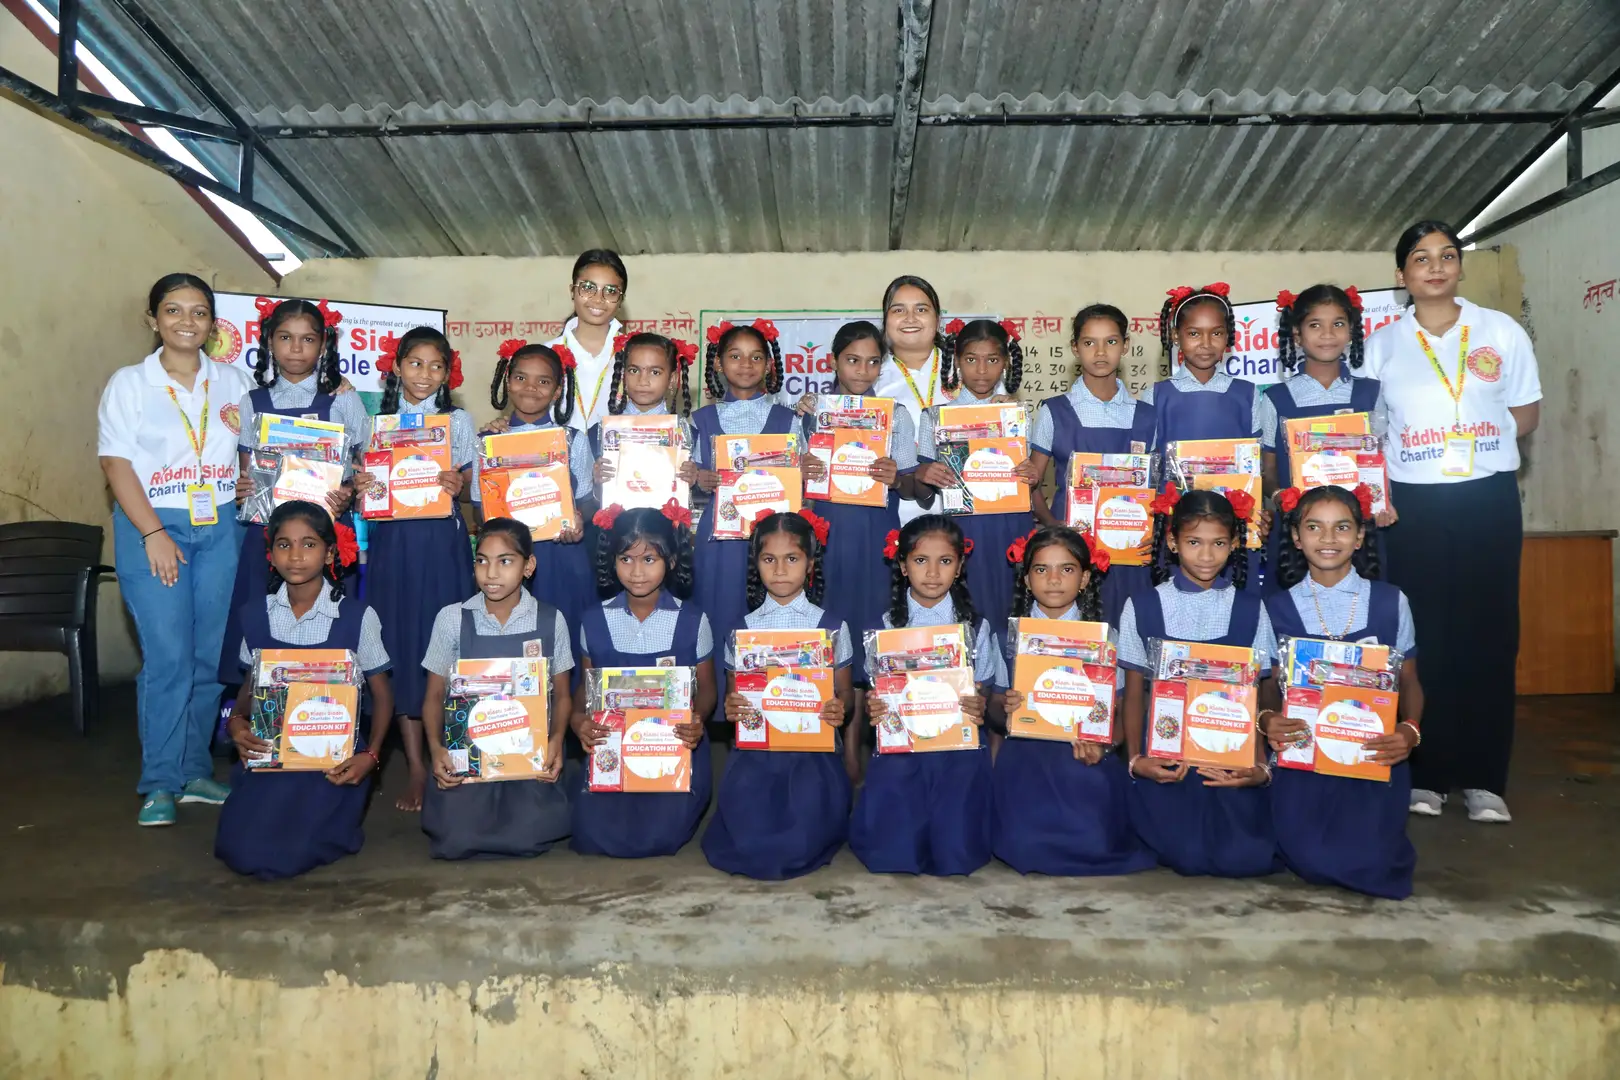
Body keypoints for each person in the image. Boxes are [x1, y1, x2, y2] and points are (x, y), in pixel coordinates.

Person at [1361, 220, 1541, 823]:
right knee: (1425, 637)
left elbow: (1526, 413)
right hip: (1413, 504)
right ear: (1401, 274)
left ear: (1460, 266)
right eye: (1420, 258)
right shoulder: (1384, 343)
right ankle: (1428, 775)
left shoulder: (1500, 331)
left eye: (1446, 255)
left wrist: (1477, 440)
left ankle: (1485, 780)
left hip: (1487, 496)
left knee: (1490, 634)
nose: (1435, 267)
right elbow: (1372, 432)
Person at [98, 273, 252, 826]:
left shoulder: (233, 381)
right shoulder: (129, 383)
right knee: (169, 657)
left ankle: (192, 772)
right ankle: (160, 782)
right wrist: (152, 533)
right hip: (153, 526)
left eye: (198, 311)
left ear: (212, 324)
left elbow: (261, 446)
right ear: (153, 319)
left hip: (221, 527)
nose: (187, 321)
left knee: (210, 658)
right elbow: (115, 463)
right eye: (173, 309)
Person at [215, 501, 392, 878]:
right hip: (272, 752)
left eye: (308, 544)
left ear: (329, 553)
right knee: (240, 848)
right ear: (270, 554)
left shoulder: (357, 617)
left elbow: (382, 695)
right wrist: (237, 722)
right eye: (284, 545)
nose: (295, 556)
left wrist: (372, 757)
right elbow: (248, 691)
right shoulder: (255, 615)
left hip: (333, 761)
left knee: (287, 853)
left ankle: (335, 826)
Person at [1262, 484, 1421, 899]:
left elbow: (1409, 680)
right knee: (1311, 860)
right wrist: (1268, 719)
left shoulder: (1391, 602)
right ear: (1296, 537)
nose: (1328, 538)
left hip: (1371, 758)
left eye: (1342, 527)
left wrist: (1409, 731)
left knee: (1371, 864)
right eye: (1314, 527)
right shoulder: (1274, 607)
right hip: (1303, 760)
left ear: (1360, 536)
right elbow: (1267, 685)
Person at [1119, 489, 1280, 878]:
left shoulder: (1251, 608)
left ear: (1234, 543)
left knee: (1243, 857)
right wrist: (1137, 762)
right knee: (1185, 852)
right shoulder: (1141, 605)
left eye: (1218, 543)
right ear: (1173, 542)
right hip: (1168, 763)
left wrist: (1261, 766)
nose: (1206, 555)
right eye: (1194, 542)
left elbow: (1263, 691)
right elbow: (1133, 694)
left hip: (1228, 761)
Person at [789, 321, 923, 777]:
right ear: (833, 362)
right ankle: (831, 739)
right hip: (827, 535)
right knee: (830, 629)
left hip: (876, 535)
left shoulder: (895, 415)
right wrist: (802, 469)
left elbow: (913, 486)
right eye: (852, 360)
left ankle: (860, 746)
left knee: (870, 631)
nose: (862, 370)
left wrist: (896, 476)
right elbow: (789, 483)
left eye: (871, 361)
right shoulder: (810, 412)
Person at [993, 525, 1154, 876]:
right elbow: (992, 708)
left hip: (1085, 749)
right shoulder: (1006, 636)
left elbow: (1120, 711)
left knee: (1094, 837)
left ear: (1084, 579)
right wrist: (1005, 706)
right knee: (1023, 846)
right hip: (1026, 751)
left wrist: (1105, 746)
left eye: (1066, 569)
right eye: (1041, 569)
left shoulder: (1105, 638)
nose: (1053, 580)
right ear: (1026, 579)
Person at [221, 297, 366, 686]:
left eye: (308, 339)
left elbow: (368, 467)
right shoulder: (253, 402)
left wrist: (349, 490)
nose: (296, 348)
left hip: (328, 535)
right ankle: (263, 709)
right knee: (265, 629)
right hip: (269, 536)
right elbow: (248, 471)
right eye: (285, 337)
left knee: (332, 635)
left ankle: (333, 710)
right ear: (270, 341)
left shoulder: (344, 399)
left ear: (323, 344)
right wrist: (245, 488)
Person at [848, 515, 1003, 876]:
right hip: (902, 749)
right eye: (920, 560)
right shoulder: (883, 628)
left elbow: (984, 693)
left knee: (956, 853)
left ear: (959, 567)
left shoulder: (977, 628)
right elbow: (875, 695)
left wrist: (978, 704)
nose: (933, 573)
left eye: (945, 561)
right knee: (894, 852)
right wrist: (875, 707)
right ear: (903, 566)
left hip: (958, 750)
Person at [363, 328, 478, 812]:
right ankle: (415, 766)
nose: (425, 374)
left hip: (441, 545)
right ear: (396, 366)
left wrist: (458, 481)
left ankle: (452, 753)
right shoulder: (378, 423)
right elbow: (364, 484)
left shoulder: (458, 421)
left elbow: (472, 481)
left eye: (436, 366)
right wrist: (364, 482)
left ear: (447, 373)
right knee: (400, 645)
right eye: (415, 363)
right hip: (393, 545)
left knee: (445, 644)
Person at [703, 510, 853, 879]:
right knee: (747, 838)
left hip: (813, 758)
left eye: (792, 559)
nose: (781, 570)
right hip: (757, 756)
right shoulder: (742, 631)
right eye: (769, 559)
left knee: (800, 840)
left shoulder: (832, 627)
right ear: (756, 564)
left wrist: (839, 707)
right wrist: (733, 706)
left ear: (810, 564)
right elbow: (735, 695)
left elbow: (846, 692)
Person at [419, 518, 573, 860]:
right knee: (457, 837)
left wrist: (556, 742)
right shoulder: (451, 619)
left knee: (528, 834)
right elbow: (433, 695)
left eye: (505, 561)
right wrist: (436, 748)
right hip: (470, 754)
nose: (491, 573)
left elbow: (563, 695)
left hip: (527, 754)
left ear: (528, 566)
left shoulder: (551, 620)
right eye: (482, 560)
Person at [570, 506, 719, 856]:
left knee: (660, 834)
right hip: (613, 751)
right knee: (593, 832)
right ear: (612, 560)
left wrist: (697, 718)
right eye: (626, 559)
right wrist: (578, 720)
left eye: (649, 559)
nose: (637, 572)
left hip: (672, 750)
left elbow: (708, 688)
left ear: (671, 560)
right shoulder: (593, 620)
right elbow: (586, 688)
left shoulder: (693, 620)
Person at [689, 321, 799, 699]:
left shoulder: (789, 419)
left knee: (771, 619)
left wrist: (809, 469)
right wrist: (698, 478)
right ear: (718, 363)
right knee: (718, 614)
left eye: (755, 357)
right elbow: (682, 478)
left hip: (773, 538)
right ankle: (718, 705)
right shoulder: (699, 420)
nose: (746, 365)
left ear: (769, 364)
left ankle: (773, 702)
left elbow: (804, 480)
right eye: (735, 356)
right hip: (718, 539)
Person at [1027, 304, 1157, 623]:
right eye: (1089, 342)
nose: (1100, 352)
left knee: (1127, 628)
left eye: (1111, 341)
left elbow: (1157, 488)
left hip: (1130, 546)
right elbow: (1030, 482)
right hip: (1071, 550)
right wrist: (1053, 526)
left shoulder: (1146, 415)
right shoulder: (1054, 411)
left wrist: (1155, 531)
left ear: (1125, 346)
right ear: (1075, 348)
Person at [1142, 282, 1272, 590]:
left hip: (1234, 527)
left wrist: (1262, 508)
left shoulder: (1248, 395)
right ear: (1176, 336)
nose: (1205, 343)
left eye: (1216, 333)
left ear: (1228, 337)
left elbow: (1258, 467)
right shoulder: (1156, 395)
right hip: (1175, 527)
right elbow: (1147, 468)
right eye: (1193, 333)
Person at [913, 318, 1038, 627]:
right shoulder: (936, 417)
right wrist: (923, 474)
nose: (982, 370)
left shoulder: (1017, 415)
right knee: (969, 616)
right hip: (963, 527)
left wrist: (1031, 475)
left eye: (992, 360)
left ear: (1005, 363)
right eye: (971, 360)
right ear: (957, 361)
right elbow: (923, 494)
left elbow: (1030, 479)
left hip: (1012, 526)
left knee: (1015, 613)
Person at [1260, 284, 1387, 574]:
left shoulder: (1371, 393)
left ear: (1351, 331)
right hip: (1298, 533)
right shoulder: (1276, 398)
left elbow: (1384, 459)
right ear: (1297, 334)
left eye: (1338, 324)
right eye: (1315, 325)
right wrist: (1279, 496)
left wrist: (1383, 500)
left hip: (1359, 533)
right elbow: (1268, 469)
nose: (1328, 334)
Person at [474, 340, 595, 637]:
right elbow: (479, 511)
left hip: (561, 554)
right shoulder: (488, 442)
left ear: (557, 390)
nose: (530, 388)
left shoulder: (573, 440)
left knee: (564, 635)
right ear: (508, 381)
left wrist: (579, 520)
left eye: (543, 381)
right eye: (521, 378)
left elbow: (588, 501)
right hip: (507, 557)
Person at [872, 276, 957, 525]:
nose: (910, 318)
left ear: (938, 320)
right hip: (894, 515)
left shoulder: (967, 368)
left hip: (968, 510)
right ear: (885, 321)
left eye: (921, 309)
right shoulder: (870, 377)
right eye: (898, 310)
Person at [547, 249, 628, 434]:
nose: (598, 299)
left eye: (611, 291)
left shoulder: (635, 356)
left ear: (620, 300)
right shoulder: (545, 354)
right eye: (588, 288)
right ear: (572, 291)